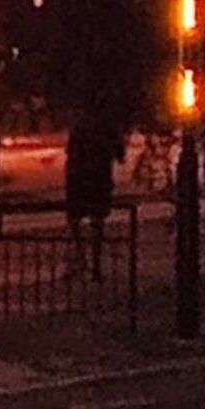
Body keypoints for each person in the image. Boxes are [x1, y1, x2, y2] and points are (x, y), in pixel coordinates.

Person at [64, 103, 125, 281]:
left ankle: (83, 262)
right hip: (96, 179)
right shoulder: (107, 126)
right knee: (95, 224)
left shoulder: (82, 126)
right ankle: (90, 265)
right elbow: (119, 154)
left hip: (82, 179)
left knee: (79, 222)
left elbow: (71, 152)